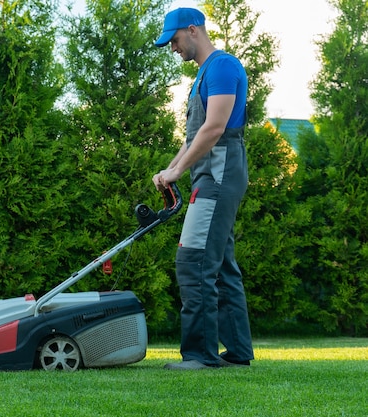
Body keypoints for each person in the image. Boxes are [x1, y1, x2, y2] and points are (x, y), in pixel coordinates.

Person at [152, 7, 254, 370]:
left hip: (221, 171)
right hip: (210, 172)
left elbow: (214, 128)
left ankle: (199, 354)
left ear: (192, 30)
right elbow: (195, 137)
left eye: (175, 40)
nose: (173, 48)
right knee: (221, 262)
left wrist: (178, 170)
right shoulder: (202, 75)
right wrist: (171, 168)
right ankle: (238, 350)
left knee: (193, 259)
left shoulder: (224, 66)